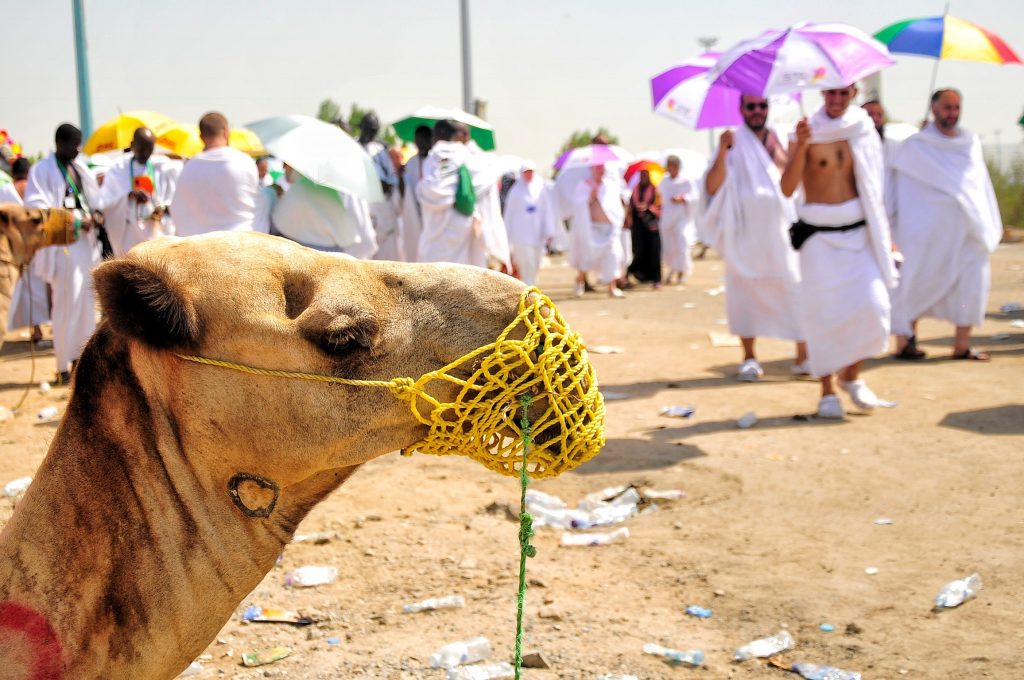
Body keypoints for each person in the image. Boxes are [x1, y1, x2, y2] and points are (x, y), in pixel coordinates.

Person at [780, 86, 897, 418]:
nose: (836, 99)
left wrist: (885, 234)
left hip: (860, 232)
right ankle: (827, 390)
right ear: (822, 91)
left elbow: (873, 187)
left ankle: (851, 375)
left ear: (853, 92)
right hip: (819, 237)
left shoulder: (862, 128)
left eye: (843, 93)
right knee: (824, 315)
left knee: (874, 308)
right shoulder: (804, 130)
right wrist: (802, 145)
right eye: (831, 92)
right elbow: (787, 188)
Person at [889, 88, 1002, 361]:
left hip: (968, 232)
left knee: (971, 284)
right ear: (934, 109)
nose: (952, 113)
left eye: (956, 107)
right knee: (916, 283)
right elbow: (902, 191)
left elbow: (976, 186)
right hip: (927, 236)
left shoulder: (969, 143)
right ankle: (905, 342)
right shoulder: (916, 147)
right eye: (947, 107)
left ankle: (962, 345)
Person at [703, 95, 808, 381]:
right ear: (741, 110)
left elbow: (791, 183)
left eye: (762, 105)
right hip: (745, 234)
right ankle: (749, 358)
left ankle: (803, 356)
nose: (757, 111)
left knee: (795, 291)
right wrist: (722, 150)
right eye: (751, 106)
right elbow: (712, 186)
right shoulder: (732, 142)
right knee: (744, 296)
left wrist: (800, 145)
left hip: (781, 233)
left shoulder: (780, 140)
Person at [25, 123, 101, 383]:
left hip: (85, 246)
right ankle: (62, 366)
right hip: (63, 248)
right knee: (66, 305)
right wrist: (74, 221)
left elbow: (93, 198)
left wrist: (95, 215)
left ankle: (81, 359)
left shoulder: (80, 168)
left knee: (86, 305)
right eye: (73, 146)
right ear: (59, 144)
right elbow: (36, 207)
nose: (77, 150)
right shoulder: (42, 170)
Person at [416, 119, 509, 269]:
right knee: (462, 269)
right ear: (457, 136)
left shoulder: (432, 157)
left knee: (434, 269)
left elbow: (428, 189)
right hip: (461, 223)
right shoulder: (466, 156)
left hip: (435, 224)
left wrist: (423, 190)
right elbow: (483, 181)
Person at [170, 112, 258, 235]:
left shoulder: (189, 167)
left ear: (201, 137)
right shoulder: (244, 162)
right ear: (226, 132)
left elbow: (177, 210)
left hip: (199, 242)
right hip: (238, 240)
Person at [94, 127, 176, 256]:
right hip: (129, 236)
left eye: (149, 149)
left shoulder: (163, 167)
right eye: (142, 149)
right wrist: (128, 196)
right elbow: (105, 203)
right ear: (132, 145)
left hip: (156, 232)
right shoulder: (118, 169)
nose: (145, 153)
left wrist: (162, 207)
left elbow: (175, 200)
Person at [1, 158, 49, 344]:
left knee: (9, 291)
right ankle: (36, 331)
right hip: (32, 248)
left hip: (10, 252)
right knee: (34, 290)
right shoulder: (33, 190)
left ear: (12, 174)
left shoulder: (4, 191)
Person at [571, 163, 626, 298]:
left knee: (613, 255)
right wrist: (590, 197)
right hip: (591, 229)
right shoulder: (584, 185)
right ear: (592, 169)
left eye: (602, 168)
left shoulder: (610, 185)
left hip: (609, 229)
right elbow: (577, 206)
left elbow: (615, 207)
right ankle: (580, 280)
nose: (600, 171)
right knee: (587, 256)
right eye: (598, 168)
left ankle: (612, 287)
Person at [503, 161, 557, 285]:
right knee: (526, 264)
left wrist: (549, 231)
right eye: (526, 172)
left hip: (537, 235)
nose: (529, 175)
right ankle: (527, 288)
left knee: (535, 264)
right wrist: (507, 238)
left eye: (531, 172)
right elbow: (509, 215)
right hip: (520, 237)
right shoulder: (515, 192)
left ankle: (532, 286)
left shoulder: (540, 189)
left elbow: (547, 211)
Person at [359, 113, 404, 261]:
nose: (371, 131)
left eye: (374, 129)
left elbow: (390, 178)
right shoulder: (355, 148)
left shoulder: (381, 149)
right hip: (364, 204)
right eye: (368, 128)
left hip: (384, 205)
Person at [659, 155, 699, 285]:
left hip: (682, 218)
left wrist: (683, 199)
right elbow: (660, 196)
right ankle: (672, 270)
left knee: (682, 243)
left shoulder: (686, 181)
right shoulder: (664, 181)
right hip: (667, 218)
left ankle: (682, 272)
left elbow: (695, 197)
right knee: (669, 247)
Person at [400, 125, 433, 262]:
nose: (421, 143)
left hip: (432, 212)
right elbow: (406, 190)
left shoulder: (435, 161)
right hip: (415, 211)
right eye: (418, 140)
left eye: (424, 140)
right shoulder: (411, 163)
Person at [625, 169, 662, 288]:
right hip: (638, 227)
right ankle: (630, 274)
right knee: (639, 252)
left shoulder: (655, 190)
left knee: (654, 252)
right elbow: (630, 206)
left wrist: (648, 208)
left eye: (645, 175)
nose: (643, 178)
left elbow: (659, 206)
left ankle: (656, 280)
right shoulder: (635, 189)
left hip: (651, 226)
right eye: (642, 176)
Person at [252, 156, 279, 233]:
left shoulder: (269, 180)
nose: (263, 172)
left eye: (265, 170)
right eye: (261, 169)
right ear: (256, 168)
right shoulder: (251, 179)